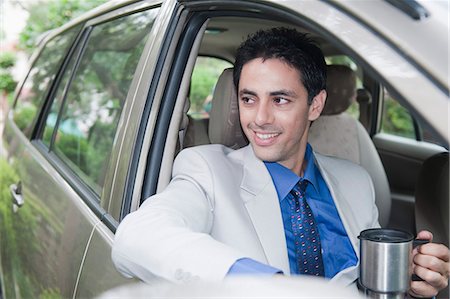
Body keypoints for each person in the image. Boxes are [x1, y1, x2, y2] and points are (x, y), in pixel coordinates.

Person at [112, 27, 449, 297]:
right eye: (248, 99)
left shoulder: (356, 180)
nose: (259, 118)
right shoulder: (206, 169)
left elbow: (363, 286)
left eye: (280, 99)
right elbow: (137, 237)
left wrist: (410, 282)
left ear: (315, 106)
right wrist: (268, 286)